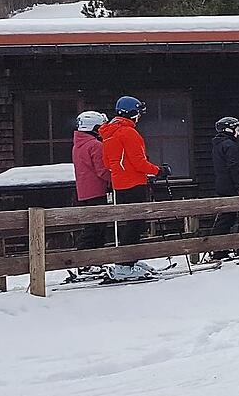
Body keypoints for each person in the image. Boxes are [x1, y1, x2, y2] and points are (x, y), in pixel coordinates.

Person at [100, 96, 169, 281]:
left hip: (119, 184)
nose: (139, 117)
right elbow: (139, 162)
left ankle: (130, 260)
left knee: (130, 222)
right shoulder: (129, 133)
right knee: (136, 223)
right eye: (138, 113)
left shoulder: (109, 134)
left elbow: (107, 162)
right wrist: (158, 171)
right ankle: (125, 264)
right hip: (134, 183)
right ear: (133, 113)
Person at [210, 117, 239, 259]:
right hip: (232, 185)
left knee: (227, 216)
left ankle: (218, 248)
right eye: (237, 129)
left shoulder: (218, 145)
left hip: (222, 185)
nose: (238, 133)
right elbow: (234, 166)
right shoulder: (230, 145)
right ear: (230, 129)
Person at [72, 111, 111, 252]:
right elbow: (102, 170)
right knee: (96, 228)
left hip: (84, 192)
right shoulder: (95, 145)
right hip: (96, 191)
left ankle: (92, 261)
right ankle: (84, 260)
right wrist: (114, 179)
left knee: (92, 226)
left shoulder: (78, 145)